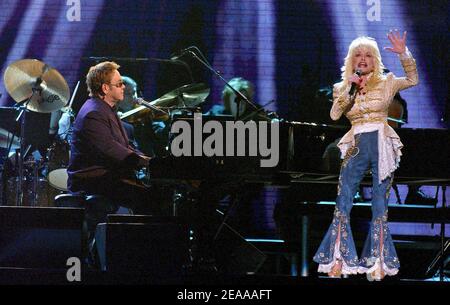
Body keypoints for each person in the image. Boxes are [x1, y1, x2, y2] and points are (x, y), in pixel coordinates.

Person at [313, 30, 418, 281]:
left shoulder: (387, 81)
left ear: (376, 60)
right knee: (344, 200)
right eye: (358, 55)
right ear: (351, 59)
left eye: (368, 55)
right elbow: (335, 116)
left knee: (379, 204)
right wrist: (350, 87)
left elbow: (413, 79)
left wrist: (404, 53)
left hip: (381, 142)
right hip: (356, 143)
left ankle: (377, 263)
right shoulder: (342, 86)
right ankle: (338, 260)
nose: (363, 59)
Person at [67, 62, 162, 255]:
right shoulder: (93, 112)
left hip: (108, 179)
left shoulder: (105, 109)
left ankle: (139, 251)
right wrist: (147, 163)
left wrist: (149, 160)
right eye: (119, 84)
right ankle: (145, 254)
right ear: (105, 88)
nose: (124, 87)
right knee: (156, 197)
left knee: (157, 191)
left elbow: (126, 147)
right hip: (94, 182)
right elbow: (111, 150)